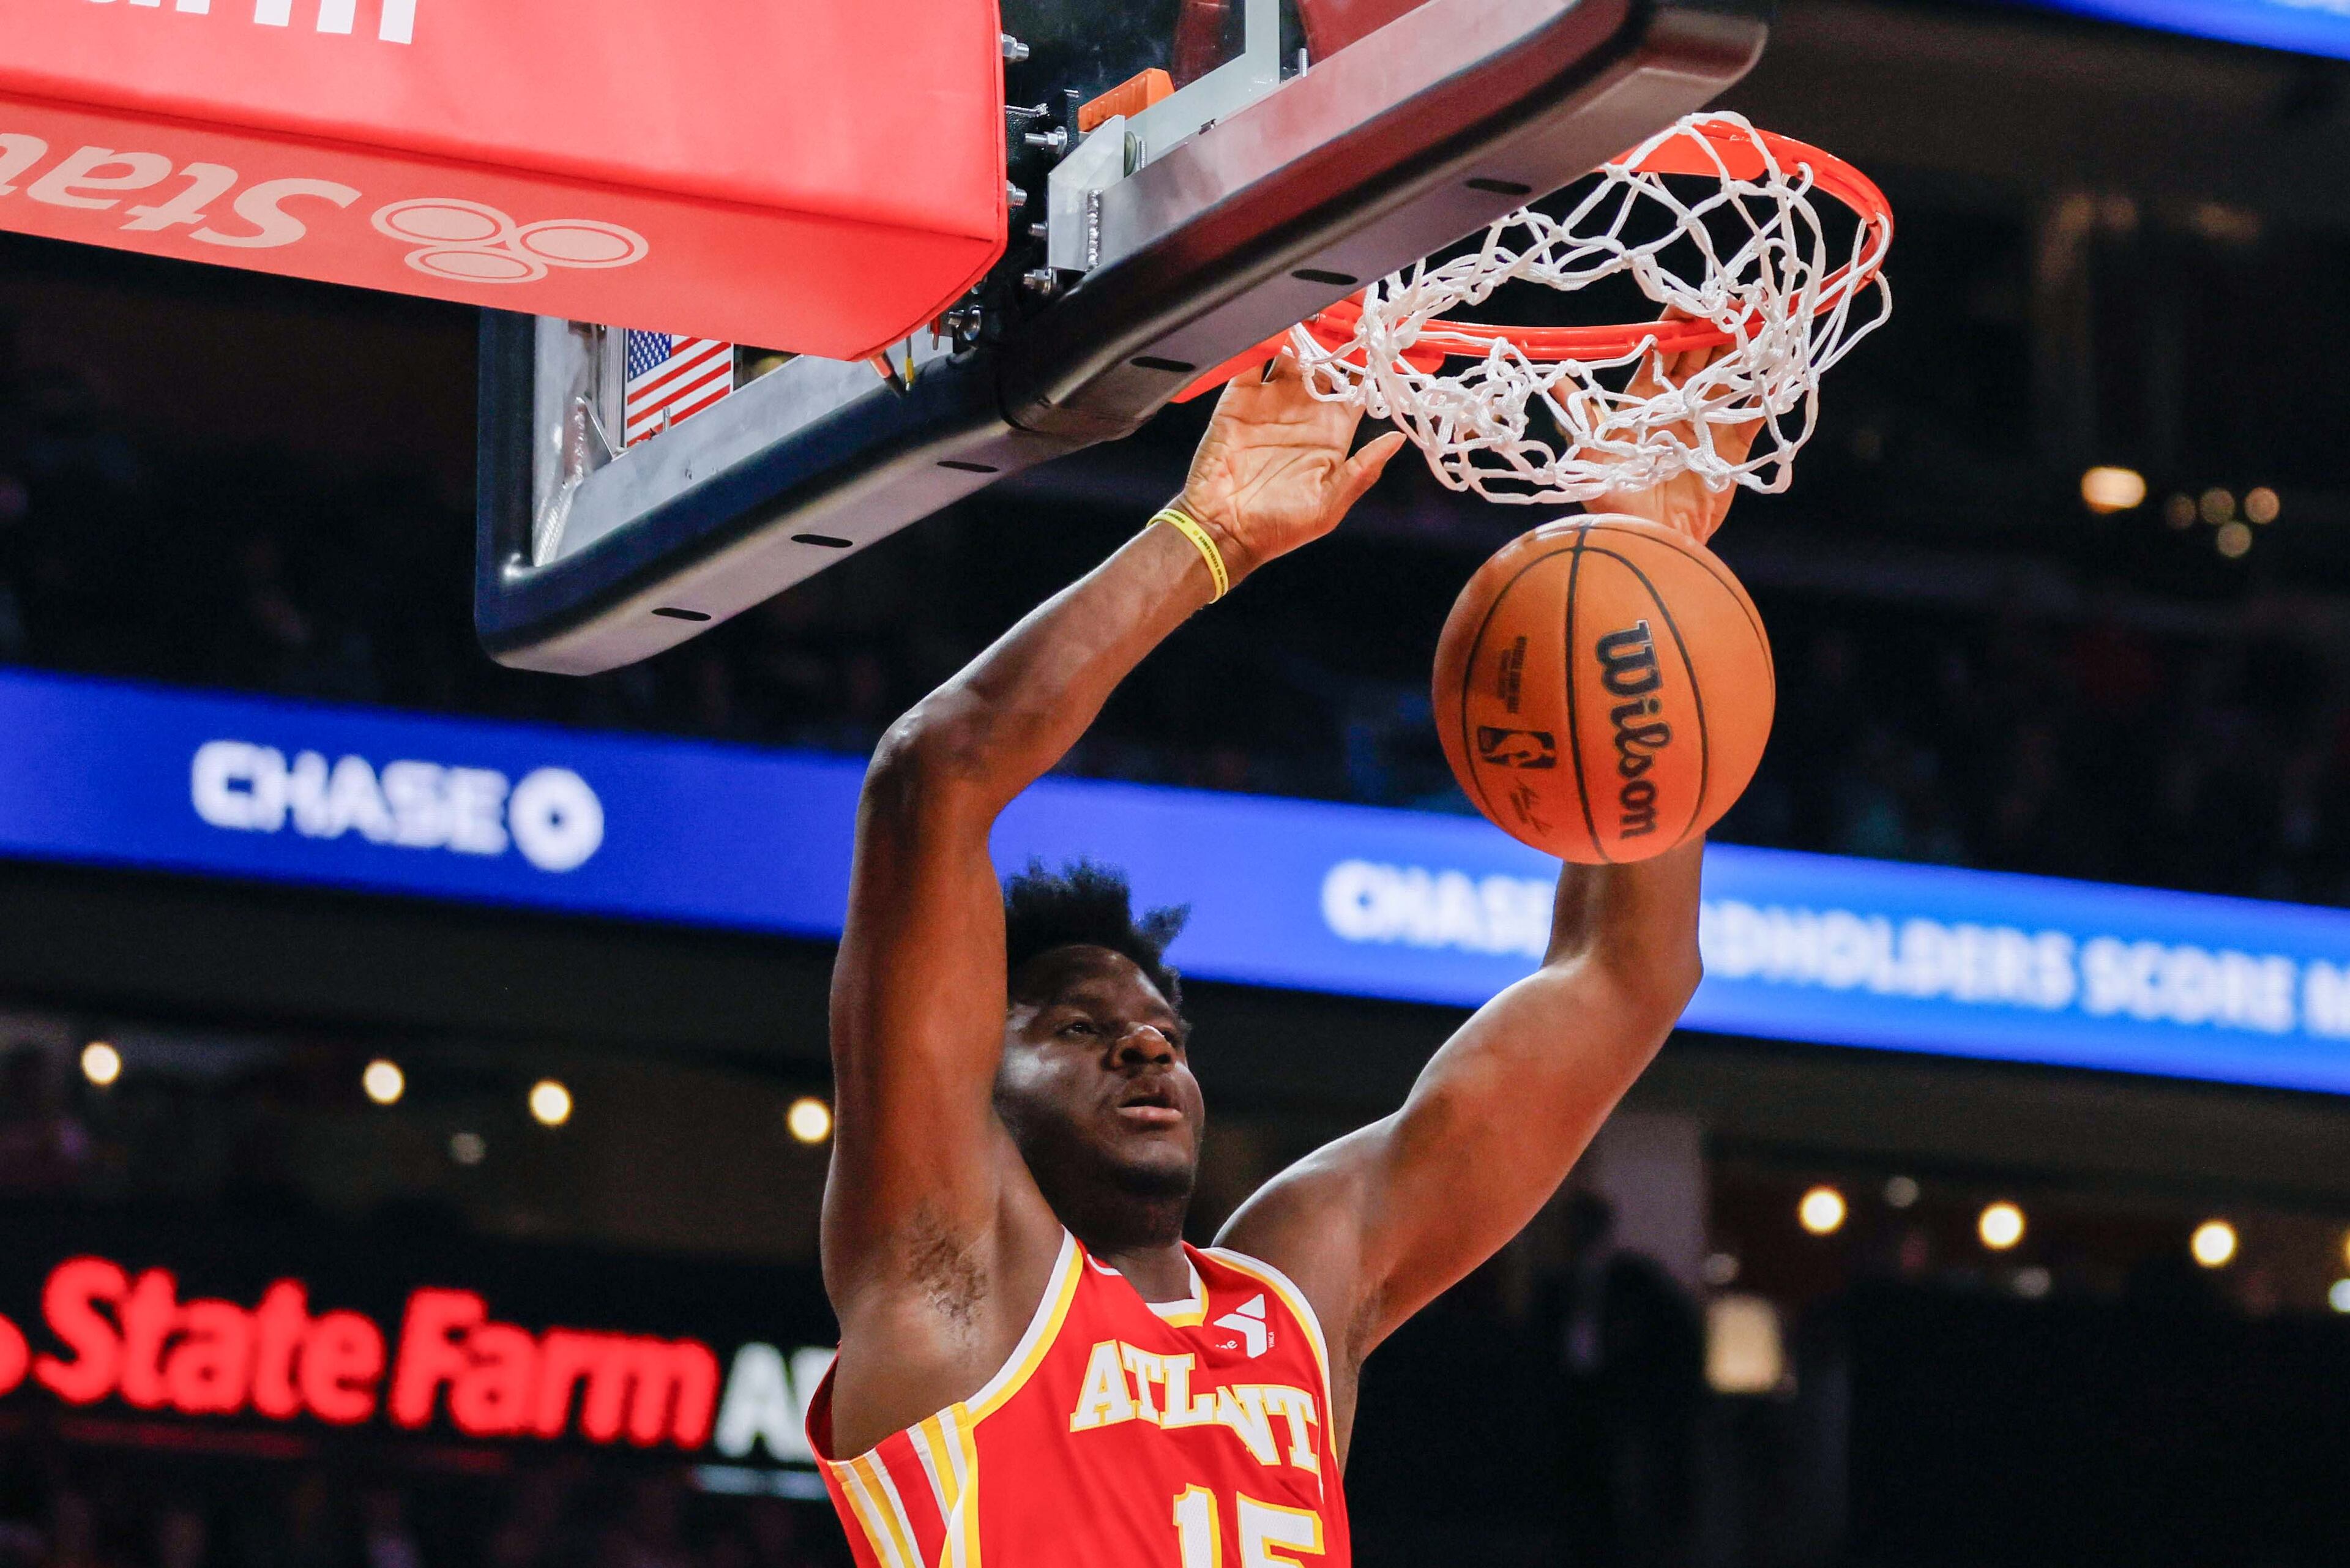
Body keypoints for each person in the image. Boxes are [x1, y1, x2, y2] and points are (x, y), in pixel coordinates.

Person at [810, 349, 1746, 1566]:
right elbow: (934, 776)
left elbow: (1625, 977)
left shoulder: (1287, 1297)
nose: (1145, 1041)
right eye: (1078, 1029)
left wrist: (1651, 573)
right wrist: (1211, 537)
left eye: (1159, 1029)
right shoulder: (943, 1286)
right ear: (968, 1092)